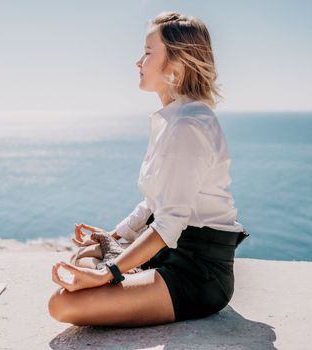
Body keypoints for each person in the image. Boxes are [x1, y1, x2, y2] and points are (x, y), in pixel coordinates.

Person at [48, 11, 249, 327]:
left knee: (63, 305)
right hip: (170, 252)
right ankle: (124, 265)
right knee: (82, 258)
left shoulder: (188, 125)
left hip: (198, 272)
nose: (137, 62)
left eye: (147, 52)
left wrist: (108, 273)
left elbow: (168, 222)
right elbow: (153, 203)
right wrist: (113, 235)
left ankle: (127, 270)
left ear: (177, 63)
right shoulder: (172, 118)